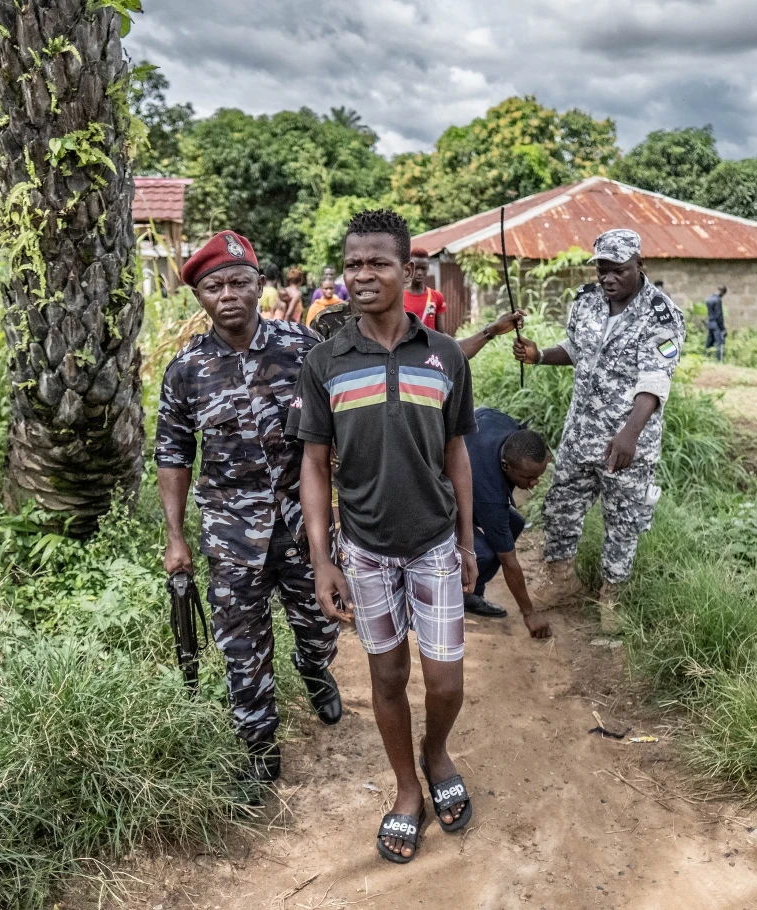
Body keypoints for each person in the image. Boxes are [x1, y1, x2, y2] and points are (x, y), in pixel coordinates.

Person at [290, 209, 478, 864]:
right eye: (352, 264)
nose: (362, 275)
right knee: (389, 675)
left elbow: (457, 454)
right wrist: (323, 558)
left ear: (406, 270)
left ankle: (436, 750)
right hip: (365, 549)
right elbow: (314, 464)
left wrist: (468, 541)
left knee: (446, 682)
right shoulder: (325, 361)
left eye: (378, 263)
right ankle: (407, 789)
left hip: (432, 543)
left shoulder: (444, 354)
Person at [156, 230, 343, 790]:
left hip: (302, 524)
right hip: (231, 532)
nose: (228, 293)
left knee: (321, 625)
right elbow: (173, 454)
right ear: (200, 296)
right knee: (241, 646)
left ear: (258, 286)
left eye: (240, 281)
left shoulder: (302, 346)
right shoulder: (186, 370)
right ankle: (260, 750)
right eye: (215, 285)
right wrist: (175, 535)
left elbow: (336, 428)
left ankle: (313, 668)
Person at [512, 228, 685, 621]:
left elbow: (655, 380)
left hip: (626, 442)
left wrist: (630, 434)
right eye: (601, 271)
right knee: (560, 508)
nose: (607, 279)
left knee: (623, 520)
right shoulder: (587, 302)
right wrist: (539, 355)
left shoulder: (661, 314)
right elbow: (576, 350)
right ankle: (562, 580)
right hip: (580, 434)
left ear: (640, 265)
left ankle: (613, 598)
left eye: (618, 270)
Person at [462, 406, 553, 634]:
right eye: (529, 477)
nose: (534, 483)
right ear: (505, 465)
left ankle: (471, 594)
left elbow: (480, 412)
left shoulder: (506, 426)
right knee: (485, 552)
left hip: (466, 487)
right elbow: (508, 560)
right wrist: (529, 612)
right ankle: (450, 594)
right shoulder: (490, 493)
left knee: (516, 524)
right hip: (438, 502)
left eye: (538, 476)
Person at [402, 247, 446, 332]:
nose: (419, 273)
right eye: (416, 268)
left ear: (428, 269)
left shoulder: (437, 297)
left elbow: (441, 332)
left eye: (423, 269)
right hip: (407, 344)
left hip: (430, 344)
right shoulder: (398, 297)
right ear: (409, 268)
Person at [705, 285, 727, 362]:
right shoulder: (718, 300)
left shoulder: (709, 299)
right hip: (716, 324)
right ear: (723, 292)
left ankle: (705, 359)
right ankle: (719, 361)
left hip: (710, 323)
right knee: (719, 343)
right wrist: (723, 328)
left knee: (709, 343)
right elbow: (719, 315)